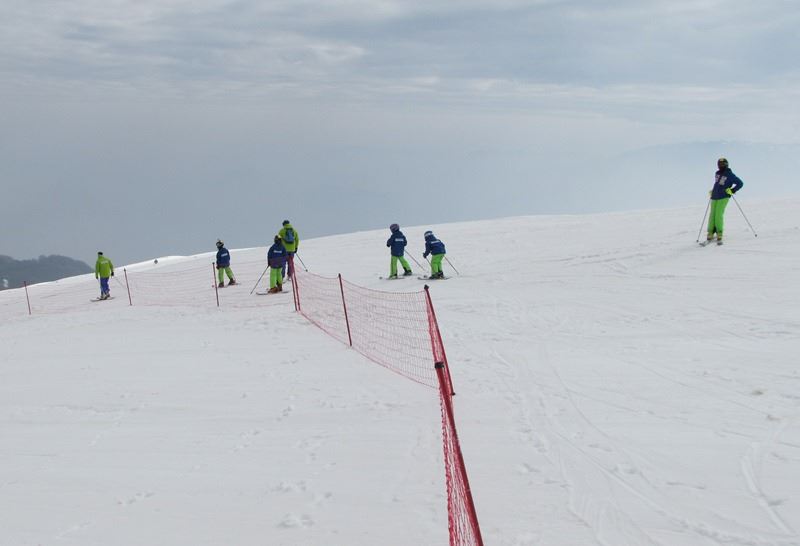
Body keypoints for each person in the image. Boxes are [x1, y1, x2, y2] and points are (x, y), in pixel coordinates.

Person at [706, 157, 744, 245]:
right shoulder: (717, 173)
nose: (720, 166)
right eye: (719, 164)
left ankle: (719, 232)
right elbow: (717, 184)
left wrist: (732, 190)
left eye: (722, 164)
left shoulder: (729, 174)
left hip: (723, 196)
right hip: (715, 196)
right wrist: (713, 190)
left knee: (718, 214)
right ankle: (710, 232)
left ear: (726, 165)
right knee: (712, 214)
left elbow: (740, 183)